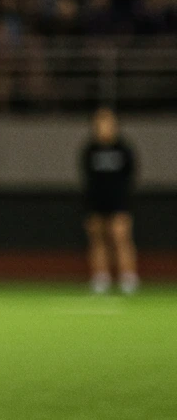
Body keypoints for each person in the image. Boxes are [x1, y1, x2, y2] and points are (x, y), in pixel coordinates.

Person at [82, 107, 139, 294]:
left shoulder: (123, 149)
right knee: (97, 238)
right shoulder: (90, 150)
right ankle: (101, 278)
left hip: (119, 202)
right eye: (100, 123)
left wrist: (124, 201)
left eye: (107, 123)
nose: (103, 127)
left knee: (121, 237)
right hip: (97, 202)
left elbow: (130, 176)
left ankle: (128, 277)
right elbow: (88, 179)